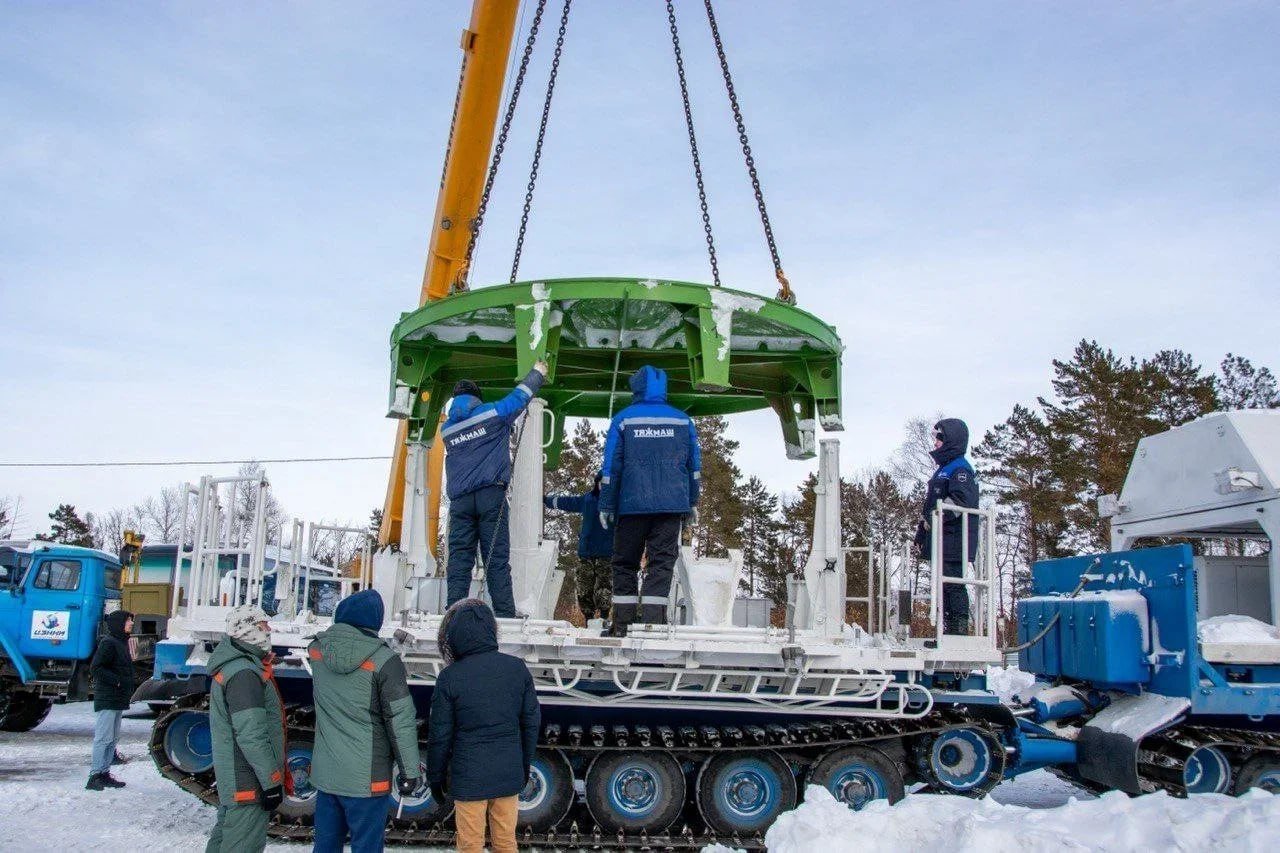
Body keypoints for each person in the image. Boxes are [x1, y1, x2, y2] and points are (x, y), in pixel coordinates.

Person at [309, 590, 424, 853]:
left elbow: (346, 656)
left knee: (325, 846)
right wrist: (410, 773)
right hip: (366, 779)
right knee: (367, 847)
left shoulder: (316, 651)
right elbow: (400, 721)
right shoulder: (385, 661)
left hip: (327, 777)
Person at [427, 599, 540, 853]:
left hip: (469, 779)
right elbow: (531, 724)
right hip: (508, 773)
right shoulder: (517, 669)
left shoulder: (450, 677)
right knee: (506, 842)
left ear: (454, 635)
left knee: (470, 844)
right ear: (491, 629)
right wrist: (522, 766)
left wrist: (436, 778)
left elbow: (440, 735)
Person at [598, 365, 701, 634]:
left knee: (625, 563)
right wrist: (692, 501)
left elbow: (611, 467)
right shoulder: (682, 421)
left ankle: (622, 624)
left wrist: (606, 503)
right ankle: (653, 624)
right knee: (662, 563)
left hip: (632, 505)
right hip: (671, 507)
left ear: (636, 387)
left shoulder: (623, 419)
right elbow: (694, 466)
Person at [443, 361, 549, 617]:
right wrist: (538, 373)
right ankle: (504, 614)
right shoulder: (491, 414)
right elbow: (519, 397)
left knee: (460, 560)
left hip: (460, 502)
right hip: (491, 495)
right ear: (477, 398)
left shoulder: (447, 428)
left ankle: (453, 613)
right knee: (495, 560)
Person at [205, 606, 285, 853]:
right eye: (263, 626)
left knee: (225, 842)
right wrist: (271, 781)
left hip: (239, 778)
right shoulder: (244, 674)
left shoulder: (240, 666)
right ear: (248, 631)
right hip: (247, 782)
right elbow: (252, 735)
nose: (268, 631)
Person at [913, 418, 979, 634]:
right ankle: (947, 632)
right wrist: (921, 534)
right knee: (943, 587)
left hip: (954, 541)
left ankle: (958, 632)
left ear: (951, 440)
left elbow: (960, 502)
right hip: (941, 541)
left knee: (953, 585)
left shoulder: (960, 469)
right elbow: (933, 505)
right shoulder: (944, 469)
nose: (935, 442)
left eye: (939, 438)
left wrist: (935, 518)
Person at [544, 473, 614, 620]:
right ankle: (588, 618)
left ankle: (604, 617)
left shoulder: (617, 502)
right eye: (603, 482)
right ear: (597, 483)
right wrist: (547, 500)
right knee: (584, 587)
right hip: (586, 552)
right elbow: (568, 502)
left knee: (604, 587)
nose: (605, 486)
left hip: (607, 553)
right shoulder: (588, 500)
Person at [87, 608, 134, 791]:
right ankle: (95, 775)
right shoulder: (109, 643)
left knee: (112, 738)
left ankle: (104, 773)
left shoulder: (120, 642)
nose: (131, 623)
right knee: (103, 738)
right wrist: (118, 682)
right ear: (119, 624)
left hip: (117, 698)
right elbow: (96, 668)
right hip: (108, 697)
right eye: (128, 620)